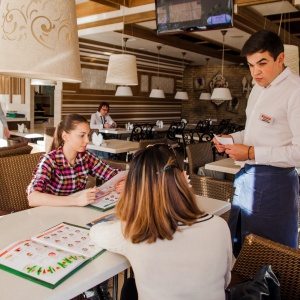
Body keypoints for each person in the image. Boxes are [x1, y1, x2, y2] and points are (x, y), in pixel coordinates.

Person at [90, 143, 232, 300]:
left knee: (130, 287)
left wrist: (129, 214)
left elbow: (96, 232)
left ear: (135, 190)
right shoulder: (219, 226)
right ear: (182, 180)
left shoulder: (134, 231)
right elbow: (225, 282)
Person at [213, 30, 300, 257]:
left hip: (275, 186)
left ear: (280, 59)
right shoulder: (257, 89)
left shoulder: (295, 91)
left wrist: (251, 152)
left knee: (269, 257)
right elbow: (253, 131)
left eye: (262, 63)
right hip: (245, 181)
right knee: (239, 250)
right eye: (251, 65)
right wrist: (234, 139)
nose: (255, 72)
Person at [27, 114, 122, 300]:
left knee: (101, 238)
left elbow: (112, 174)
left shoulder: (85, 157)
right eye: (82, 135)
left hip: (76, 218)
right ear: (65, 136)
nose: (87, 140)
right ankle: (90, 289)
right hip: (49, 223)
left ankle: (97, 286)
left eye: (89, 135)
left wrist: (122, 181)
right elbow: (33, 198)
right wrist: (75, 200)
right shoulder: (50, 160)